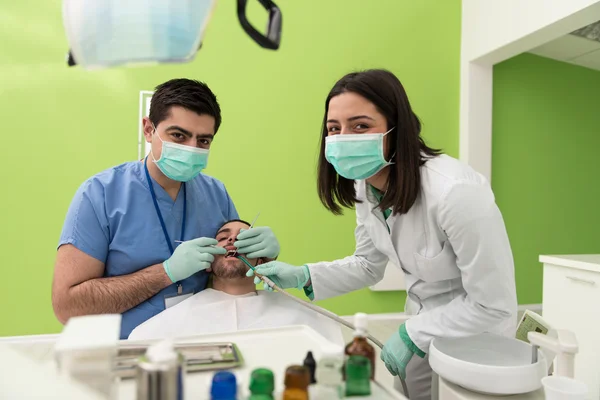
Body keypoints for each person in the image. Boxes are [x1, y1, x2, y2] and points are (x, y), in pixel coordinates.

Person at [249, 69, 518, 400]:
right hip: (421, 328)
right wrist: (304, 275)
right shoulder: (366, 186)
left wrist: (411, 334)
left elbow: (493, 304)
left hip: (476, 342)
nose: (344, 137)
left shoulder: (456, 192)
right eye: (334, 129)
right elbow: (367, 265)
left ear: (397, 128)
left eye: (360, 126)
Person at [52, 78, 280, 339]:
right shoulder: (99, 195)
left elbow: (230, 275)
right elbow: (67, 307)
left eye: (203, 141)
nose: (191, 149)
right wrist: (166, 273)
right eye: (178, 136)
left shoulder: (216, 194)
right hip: (123, 354)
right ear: (149, 129)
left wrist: (264, 260)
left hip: (201, 346)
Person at [128, 219, 344, 345]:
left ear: (261, 258)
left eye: (244, 238)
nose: (232, 240)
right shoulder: (163, 327)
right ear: (207, 262)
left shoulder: (303, 317)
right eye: (223, 237)